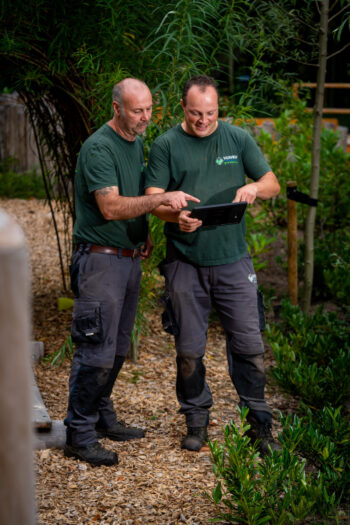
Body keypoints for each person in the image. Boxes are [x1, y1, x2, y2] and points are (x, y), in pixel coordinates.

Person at [64, 78, 199, 466]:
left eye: (150, 109)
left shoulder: (134, 142)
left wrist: (154, 227)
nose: (145, 118)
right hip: (99, 261)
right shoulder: (98, 148)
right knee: (96, 349)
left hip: (128, 257)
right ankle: (80, 432)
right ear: (116, 109)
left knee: (118, 347)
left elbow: (135, 199)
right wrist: (159, 198)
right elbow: (110, 207)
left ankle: (102, 416)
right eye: (137, 110)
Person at [145, 75, 281, 455]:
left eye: (210, 113)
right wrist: (176, 219)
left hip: (234, 260)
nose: (203, 120)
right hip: (185, 261)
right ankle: (196, 420)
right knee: (189, 350)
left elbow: (273, 183)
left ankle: (259, 425)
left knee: (250, 345)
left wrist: (254, 188)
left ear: (219, 109)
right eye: (195, 114)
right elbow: (152, 200)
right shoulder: (166, 144)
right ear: (182, 109)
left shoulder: (237, 139)